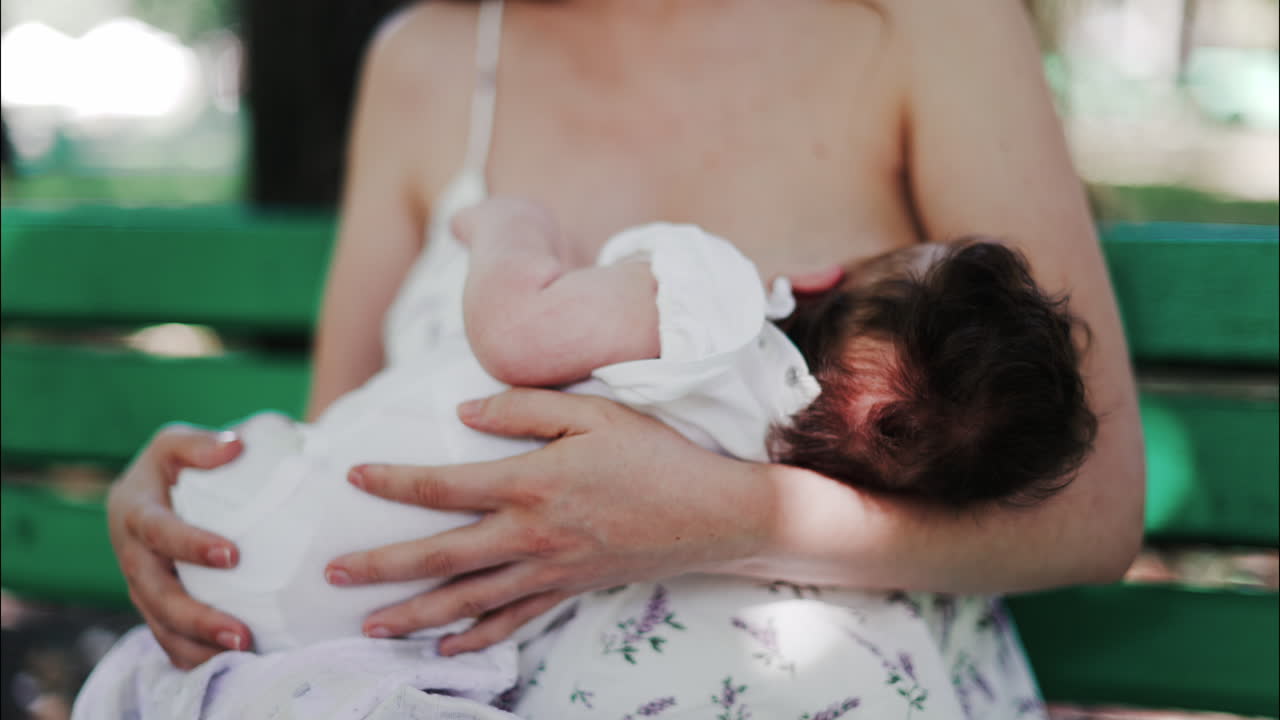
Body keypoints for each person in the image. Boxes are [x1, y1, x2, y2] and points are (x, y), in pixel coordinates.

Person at [96, 0, 1145, 717]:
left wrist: (722, 518)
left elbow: (1092, 513)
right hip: (421, 670)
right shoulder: (429, 58)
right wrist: (205, 490)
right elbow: (347, 435)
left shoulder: (921, 23)